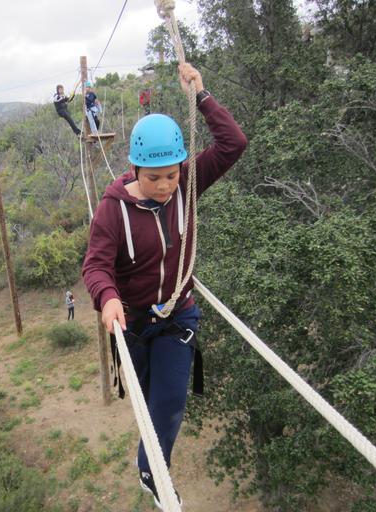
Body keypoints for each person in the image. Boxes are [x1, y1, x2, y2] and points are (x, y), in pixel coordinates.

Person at [82, 62, 247, 509]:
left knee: (169, 401)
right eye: (153, 177)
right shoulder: (113, 210)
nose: (164, 186)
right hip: (134, 322)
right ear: (135, 169)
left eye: (171, 175)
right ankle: (153, 466)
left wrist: (201, 96)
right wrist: (108, 298)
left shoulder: (187, 184)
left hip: (178, 315)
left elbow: (233, 143)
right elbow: (96, 266)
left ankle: (154, 472)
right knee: (148, 401)